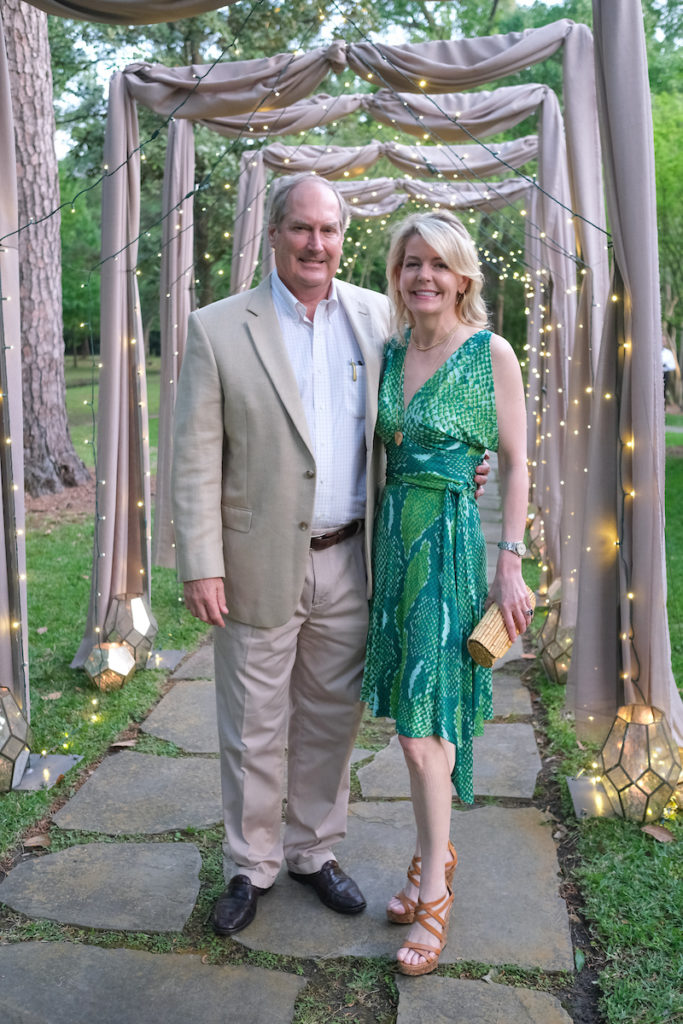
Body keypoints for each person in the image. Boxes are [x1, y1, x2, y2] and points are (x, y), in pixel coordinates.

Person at [172, 174, 490, 938]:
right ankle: (250, 865)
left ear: (343, 239)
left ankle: (313, 850)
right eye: (302, 229)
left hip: (354, 559)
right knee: (251, 721)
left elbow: (423, 402)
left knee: (329, 718)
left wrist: (458, 459)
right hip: (253, 560)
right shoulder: (218, 328)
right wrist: (199, 560)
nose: (317, 244)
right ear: (275, 235)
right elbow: (192, 458)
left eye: (329, 230)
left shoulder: (376, 316)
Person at [361, 210, 530, 976]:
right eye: (408, 263)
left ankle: (434, 889)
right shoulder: (391, 353)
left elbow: (516, 463)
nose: (422, 275)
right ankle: (435, 855)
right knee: (412, 719)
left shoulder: (488, 352)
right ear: (396, 277)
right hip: (395, 551)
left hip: (454, 552)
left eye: (437, 263)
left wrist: (511, 562)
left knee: (421, 730)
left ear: (463, 275)